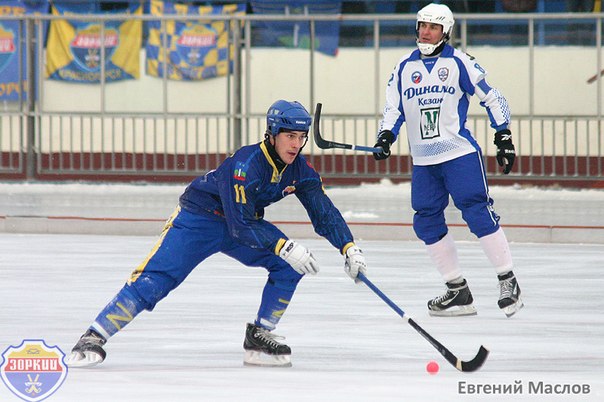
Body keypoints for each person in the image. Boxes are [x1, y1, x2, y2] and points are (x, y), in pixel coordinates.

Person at [65, 100, 367, 368]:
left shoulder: (300, 170)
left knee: (287, 266)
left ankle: (260, 334)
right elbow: (241, 224)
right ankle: (94, 335)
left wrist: (349, 247)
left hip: (241, 223)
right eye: (289, 136)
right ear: (272, 134)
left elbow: (323, 212)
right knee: (158, 279)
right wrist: (283, 245)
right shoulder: (245, 165)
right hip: (200, 219)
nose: (296, 145)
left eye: (301, 137)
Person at [373, 3, 523, 318]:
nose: (426, 32)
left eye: (434, 27)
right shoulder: (403, 66)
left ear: (446, 32)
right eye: (423, 25)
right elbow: (393, 109)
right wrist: (385, 136)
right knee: (425, 220)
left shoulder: (460, 63)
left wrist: (504, 136)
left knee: (477, 211)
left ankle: (508, 281)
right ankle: (458, 291)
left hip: (459, 155)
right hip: (424, 161)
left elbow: (492, 97)